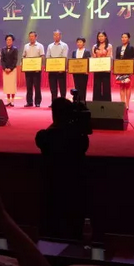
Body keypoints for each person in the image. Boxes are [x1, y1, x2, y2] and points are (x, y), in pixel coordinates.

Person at [36, 98, 90, 240]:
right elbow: (84, 140)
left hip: (51, 189)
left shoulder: (44, 137)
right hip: (75, 190)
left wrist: (58, 123)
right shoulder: (78, 138)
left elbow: (46, 136)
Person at [46, 29, 69, 106]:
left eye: (58, 35)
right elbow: (48, 57)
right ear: (53, 36)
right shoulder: (50, 46)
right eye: (55, 35)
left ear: (60, 36)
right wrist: (48, 67)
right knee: (53, 88)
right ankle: (54, 103)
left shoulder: (64, 45)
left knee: (62, 87)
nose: (56, 37)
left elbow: (64, 57)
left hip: (61, 70)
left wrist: (62, 67)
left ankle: (63, 103)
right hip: (52, 70)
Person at [23, 31, 45, 107]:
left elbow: (42, 57)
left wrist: (40, 66)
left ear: (36, 37)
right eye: (30, 36)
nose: (31, 38)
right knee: (28, 86)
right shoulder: (26, 46)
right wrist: (23, 65)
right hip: (28, 69)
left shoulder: (40, 46)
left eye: (32, 36)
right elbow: (24, 56)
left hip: (36, 70)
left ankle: (37, 102)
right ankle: (29, 102)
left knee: (37, 86)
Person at [115, 32, 134, 110]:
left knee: (127, 86)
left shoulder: (131, 48)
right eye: (122, 37)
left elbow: (131, 59)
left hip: (127, 69)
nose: (123, 39)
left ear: (128, 38)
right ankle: (122, 103)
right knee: (121, 86)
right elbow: (116, 59)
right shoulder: (118, 48)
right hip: (120, 70)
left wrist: (130, 69)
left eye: (125, 37)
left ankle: (127, 104)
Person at [92, 31, 112, 101]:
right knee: (97, 86)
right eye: (99, 36)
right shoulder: (95, 46)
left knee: (106, 86)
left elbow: (109, 57)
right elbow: (94, 57)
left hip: (106, 69)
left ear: (105, 37)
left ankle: (107, 102)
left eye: (102, 36)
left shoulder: (109, 46)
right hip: (97, 68)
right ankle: (96, 102)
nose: (100, 38)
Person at [71, 38, 91, 103]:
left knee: (83, 87)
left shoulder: (87, 52)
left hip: (84, 73)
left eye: (81, 42)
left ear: (84, 43)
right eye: (78, 42)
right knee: (76, 87)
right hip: (76, 73)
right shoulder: (74, 52)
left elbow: (89, 62)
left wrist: (87, 70)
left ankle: (82, 101)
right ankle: (77, 101)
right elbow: (72, 62)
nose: (79, 43)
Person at [1, 34, 19, 107]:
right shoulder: (3, 49)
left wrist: (10, 69)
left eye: (10, 40)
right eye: (7, 40)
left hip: (12, 69)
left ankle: (12, 100)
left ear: (12, 41)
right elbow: (2, 60)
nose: (8, 41)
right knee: (7, 85)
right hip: (5, 70)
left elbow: (15, 60)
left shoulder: (15, 49)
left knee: (12, 85)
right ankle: (8, 100)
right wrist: (5, 68)